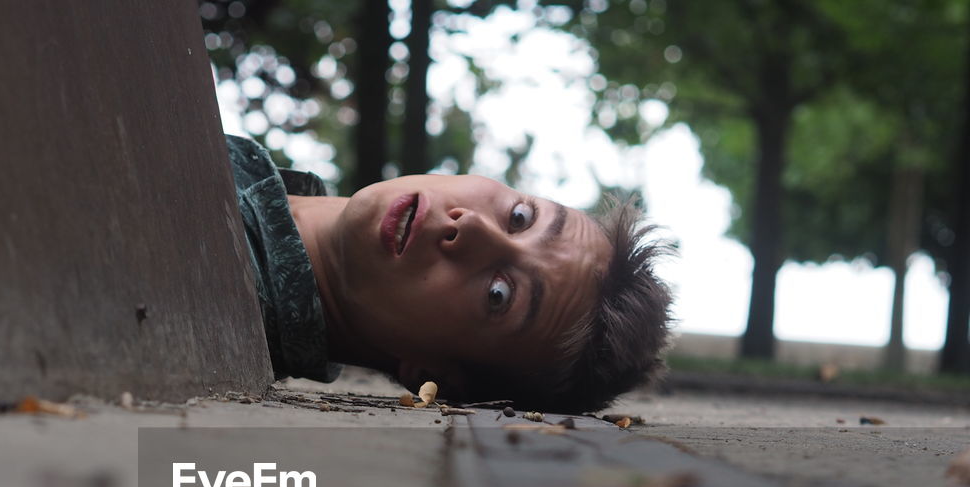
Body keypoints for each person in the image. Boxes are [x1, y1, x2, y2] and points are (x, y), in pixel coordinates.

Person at [226, 134, 671, 413]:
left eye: (498, 294)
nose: (472, 228)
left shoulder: (218, 290)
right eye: (520, 216)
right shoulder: (243, 182)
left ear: (431, 375)